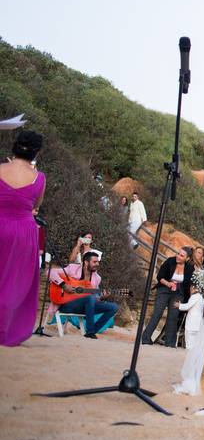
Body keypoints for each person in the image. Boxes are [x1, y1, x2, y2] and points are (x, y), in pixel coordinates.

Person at [0, 130, 45, 347]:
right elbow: (36, 206)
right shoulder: (39, 178)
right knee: (14, 283)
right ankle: (5, 329)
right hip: (23, 231)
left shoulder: (1, 168)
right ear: (37, 151)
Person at [49, 251, 118, 338]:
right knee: (89, 298)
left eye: (98, 262)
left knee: (113, 307)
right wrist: (64, 285)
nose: (97, 264)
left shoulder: (97, 278)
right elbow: (50, 272)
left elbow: (94, 298)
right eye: (94, 262)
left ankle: (91, 331)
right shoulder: (73, 269)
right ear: (86, 262)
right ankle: (90, 331)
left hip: (85, 306)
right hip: (66, 304)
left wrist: (101, 296)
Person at [141, 247, 194, 346]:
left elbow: (188, 284)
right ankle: (145, 338)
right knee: (157, 313)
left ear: (187, 258)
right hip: (164, 289)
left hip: (178, 292)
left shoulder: (190, 268)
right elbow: (159, 277)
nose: (178, 256)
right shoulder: (170, 261)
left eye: (182, 255)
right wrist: (168, 284)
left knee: (173, 317)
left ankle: (170, 343)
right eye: (178, 253)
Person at [176, 281, 204, 350]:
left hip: (192, 323)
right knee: (194, 342)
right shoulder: (201, 297)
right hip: (198, 323)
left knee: (189, 342)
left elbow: (187, 306)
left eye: (190, 288)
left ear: (193, 287)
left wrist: (179, 305)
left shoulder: (195, 296)